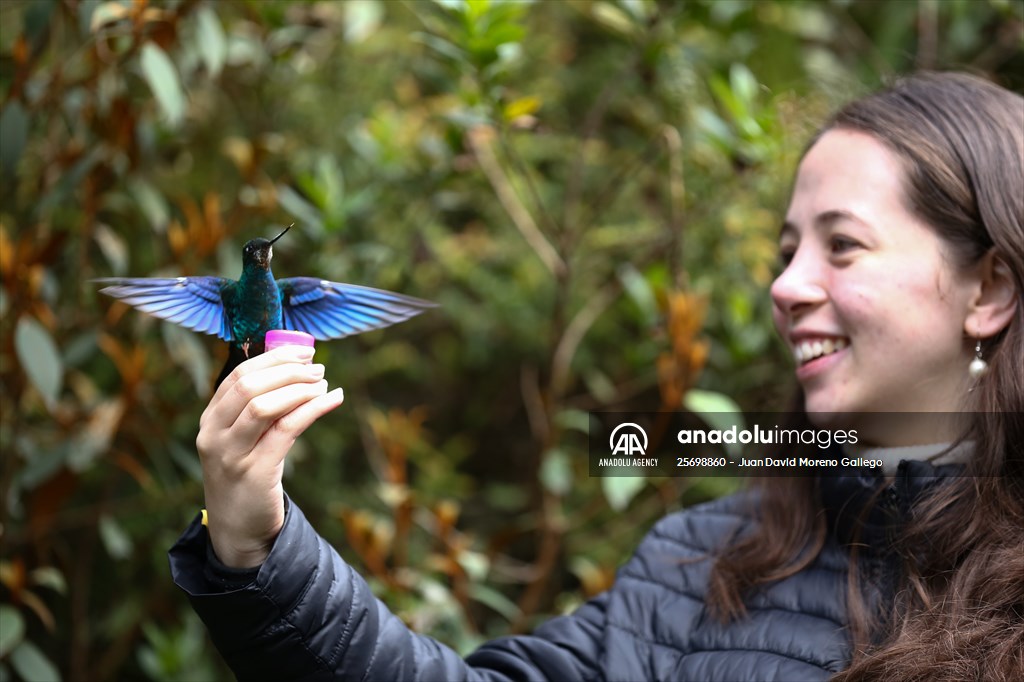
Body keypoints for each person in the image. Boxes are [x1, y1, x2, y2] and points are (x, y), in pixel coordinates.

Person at [169, 72, 1024, 681]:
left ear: (987, 288)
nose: (786, 285)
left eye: (842, 245)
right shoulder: (700, 566)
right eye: (787, 249)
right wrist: (256, 544)